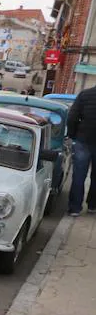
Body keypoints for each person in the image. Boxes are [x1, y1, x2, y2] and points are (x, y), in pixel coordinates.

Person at [66, 83, 96, 216]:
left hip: (83, 139)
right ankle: (93, 205)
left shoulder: (84, 95)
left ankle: (75, 208)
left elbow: (72, 117)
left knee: (79, 175)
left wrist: (73, 134)